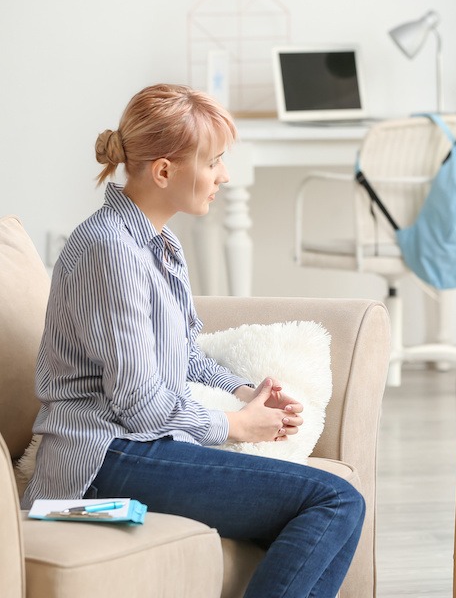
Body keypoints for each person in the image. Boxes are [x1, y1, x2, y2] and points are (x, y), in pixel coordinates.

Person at [22, 83, 365, 598]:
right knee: (334, 501)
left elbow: (183, 353)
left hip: (136, 449)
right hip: (101, 463)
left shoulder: (160, 242)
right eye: (214, 162)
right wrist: (236, 424)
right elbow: (139, 405)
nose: (224, 176)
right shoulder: (109, 251)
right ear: (164, 171)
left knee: (337, 502)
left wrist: (246, 391)